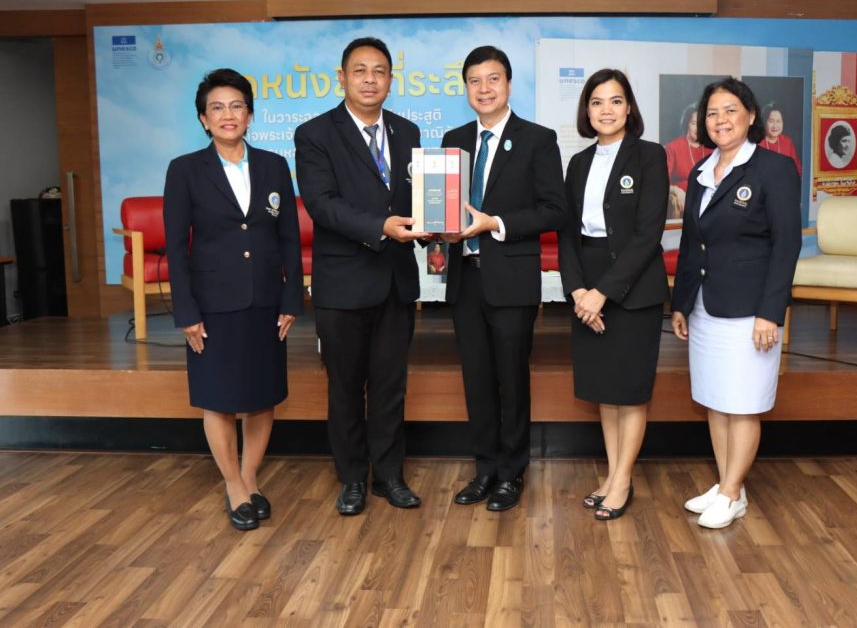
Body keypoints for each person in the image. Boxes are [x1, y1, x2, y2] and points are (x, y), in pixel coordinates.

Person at [295, 37, 430, 517]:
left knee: (391, 386)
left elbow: (418, 200)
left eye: (379, 71)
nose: (370, 80)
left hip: (396, 281)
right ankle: (352, 477)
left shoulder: (407, 131)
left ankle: (389, 476)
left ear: (391, 80)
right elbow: (322, 204)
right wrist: (380, 227)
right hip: (343, 284)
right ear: (342, 77)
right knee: (346, 388)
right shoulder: (315, 134)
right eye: (360, 71)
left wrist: (435, 228)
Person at [164, 68, 303, 531]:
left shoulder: (274, 166)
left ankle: (250, 478)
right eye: (217, 107)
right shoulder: (185, 170)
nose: (228, 115)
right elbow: (176, 247)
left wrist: (291, 298)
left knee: (263, 396)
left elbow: (289, 239)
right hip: (212, 304)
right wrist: (186, 311)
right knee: (219, 399)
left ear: (250, 114)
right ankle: (232, 485)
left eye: (237, 106)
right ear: (203, 119)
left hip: (266, 301)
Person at [670, 77, 801, 529]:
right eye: (712, 113)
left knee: (742, 403)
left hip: (750, 311)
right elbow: (692, 244)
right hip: (706, 306)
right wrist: (681, 302)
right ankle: (730, 484)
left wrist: (770, 312)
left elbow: (786, 245)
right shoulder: (701, 172)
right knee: (715, 398)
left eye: (730, 110)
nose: (720, 120)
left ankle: (731, 493)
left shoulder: (774, 169)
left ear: (750, 116)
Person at [441, 46, 567, 511]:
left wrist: (494, 223)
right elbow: (444, 206)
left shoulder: (537, 139)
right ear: (466, 88)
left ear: (509, 84)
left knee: (511, 380)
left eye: (493, 79)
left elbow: (555, 210)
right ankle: (485, 470)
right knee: (476, 380)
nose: (484, 88)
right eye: (474, 80)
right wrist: (438, 227)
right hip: (465, 278)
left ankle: (512, 473)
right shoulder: (454, 140)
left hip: (511, 279)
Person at [558, 69, 668, 521]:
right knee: (605, 390)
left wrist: (602, 293)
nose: (607, 110)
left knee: (630, 390)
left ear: (629, 108)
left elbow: (648, 234)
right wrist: (578, 290)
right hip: (587, 283)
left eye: (616, 101)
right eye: (597, 102)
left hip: (633, 287)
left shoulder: (650, 156)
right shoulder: (578, 162)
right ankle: (612, 473)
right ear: (587, 111)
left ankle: (623, 480)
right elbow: (567, 234)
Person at [665, 103, 713, 218]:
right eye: (694, 123)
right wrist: (676, 190)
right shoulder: (673, 147)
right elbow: (662, 181)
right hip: (681, 198)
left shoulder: (712, 149)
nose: (698, 128)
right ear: (687, 124)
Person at [758, 103, 803, 176]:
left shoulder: (787, 142)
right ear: (764, 122)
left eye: (778, 121)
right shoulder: (757, 142)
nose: (775, 126)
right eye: (771, 121)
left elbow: (797, 169)